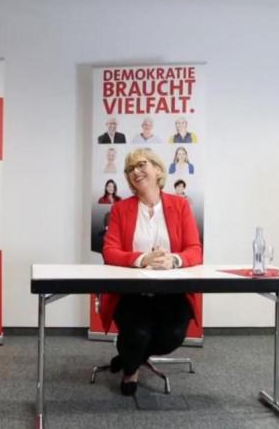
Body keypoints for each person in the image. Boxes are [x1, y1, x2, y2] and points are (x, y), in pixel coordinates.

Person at [101, 148, 202, 396]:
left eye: (141, 165)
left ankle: (128, 357)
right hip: (132, 292)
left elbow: (195, 250)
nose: (135, 172)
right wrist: (142, 258)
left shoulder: (180, 205)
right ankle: (130, 370)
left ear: (157, 169)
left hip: (171, 292)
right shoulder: (120, 209)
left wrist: (174, 260)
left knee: (174, 335)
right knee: (139, 332)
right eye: (129, 169)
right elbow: (109, 251)